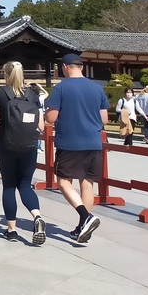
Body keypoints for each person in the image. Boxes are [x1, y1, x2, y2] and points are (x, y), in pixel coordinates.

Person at [45, 53, 110, 244]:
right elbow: (104, 119)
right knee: (87, 184)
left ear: (65, 67)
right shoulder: (97, 88)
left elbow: (51, 118)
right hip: (92, 141)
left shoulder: (61, 88)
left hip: (70, 142)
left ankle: (86, 217)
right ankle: (84, 225)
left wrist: (48, 112)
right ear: (81, 67)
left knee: (64, 182)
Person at [0, 61, 45, 244]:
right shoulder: (33, 95)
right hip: (29, 146)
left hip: (6, 144)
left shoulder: (0, 93)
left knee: (9, 186)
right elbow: (41, 125)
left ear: (5, 74)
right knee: (25, 184)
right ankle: (37, 217)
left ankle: (12, 230)